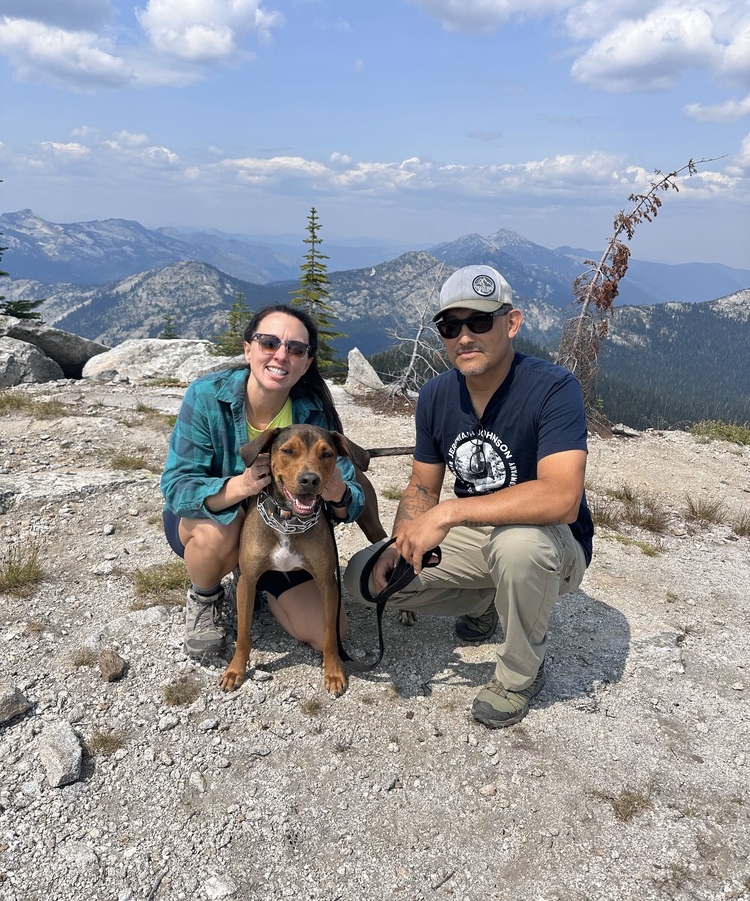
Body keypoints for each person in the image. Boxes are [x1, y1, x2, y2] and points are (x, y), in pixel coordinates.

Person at [344, 265, 593, 728]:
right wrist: (402, 545)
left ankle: (520, 674)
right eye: (450, 326)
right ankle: (484, 602)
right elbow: (421, 486)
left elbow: (562, 498)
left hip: (551, 543)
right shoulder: (437, 395)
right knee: (365, 580)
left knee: (517, 547)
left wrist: (451, 512)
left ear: (511, 323)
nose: (464, 337)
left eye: (479, 322)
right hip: (476, 537)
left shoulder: (554, 388)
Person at [161, 303, 364, 658]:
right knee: (221, 530)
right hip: (212, 520)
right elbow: (177, 486)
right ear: (248, 349)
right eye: (269, 343)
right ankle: (206, 597)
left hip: (289, 528)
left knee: (330, 631)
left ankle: (258, 577)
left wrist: (340, 493)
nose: (281, 355)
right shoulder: (208, 396)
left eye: (296, 349)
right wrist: (240, 487)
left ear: (306, 362)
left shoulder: (314, 411)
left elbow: (353, 492)